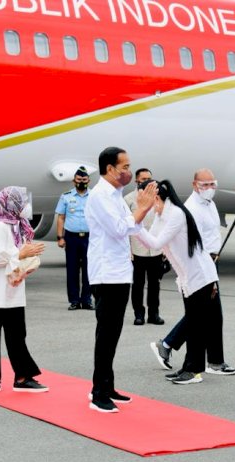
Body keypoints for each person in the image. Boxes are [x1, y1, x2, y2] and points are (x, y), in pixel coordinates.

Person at [86, 147, 158, 413]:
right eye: (124, 167)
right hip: (106, 274)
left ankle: (107, 385)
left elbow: (133, 226)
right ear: (109, 169)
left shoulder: (115, 195)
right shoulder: (100, 196)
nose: (129, 171)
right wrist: (141, 208)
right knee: (106, 333)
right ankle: (98, 393)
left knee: (113, 332)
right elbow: (119, 229)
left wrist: (139, 213)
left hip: (119, 271)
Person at [136, 180, 224, 384]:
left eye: (147, 200)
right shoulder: (162, 215)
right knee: (194, 322)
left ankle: (193, 371)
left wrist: (136, 225)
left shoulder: (175, 213)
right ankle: (188, 368)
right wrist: (136, 224)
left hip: (201, 276)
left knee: (196, 324)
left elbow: (156, 243)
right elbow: (152, 239)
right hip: (188, 277)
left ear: (156, 197)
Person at [150, 169, 235, 376]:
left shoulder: (211, 205)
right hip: (200, 265)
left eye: (212, 184)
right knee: (204, 313)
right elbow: (189, 242)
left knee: (211, 314)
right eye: (204, 185)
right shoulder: (190, 209)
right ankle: (170, 345)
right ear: (194, 185)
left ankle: (212, 360)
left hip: (210, 262)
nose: (209, 189)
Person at [0, 186, 48, 393]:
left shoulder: (17, 225)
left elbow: (12, 257)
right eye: (21, 201)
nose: (26, 206)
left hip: (12, 291)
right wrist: (21, 252)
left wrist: (25, 256)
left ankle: (23, 377)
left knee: (17, 334)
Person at [125, 169, 164, 325]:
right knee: (138, 285)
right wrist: (128, 250)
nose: (146, 182)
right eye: (143, 179)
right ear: (136, 181)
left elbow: (163, 223)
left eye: (149, 179)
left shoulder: (159, 198)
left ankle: (154, 314)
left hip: (155, 248)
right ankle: (138, 314)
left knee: (155, 285)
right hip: (137, 249)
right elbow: (126, 228)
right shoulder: (128, 199)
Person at [55, 167, 93, 311]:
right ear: (74, 181)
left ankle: (87, 300)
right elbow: (61, 217)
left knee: (89, 270)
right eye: (79, 180)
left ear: (88, 180)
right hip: (71, 237)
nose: (81, 182)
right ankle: (74, 300)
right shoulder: (66, 196)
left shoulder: (94, 196)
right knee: (72, 270)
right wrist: (60, 237)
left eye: (84, 180)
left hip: (89, 237)